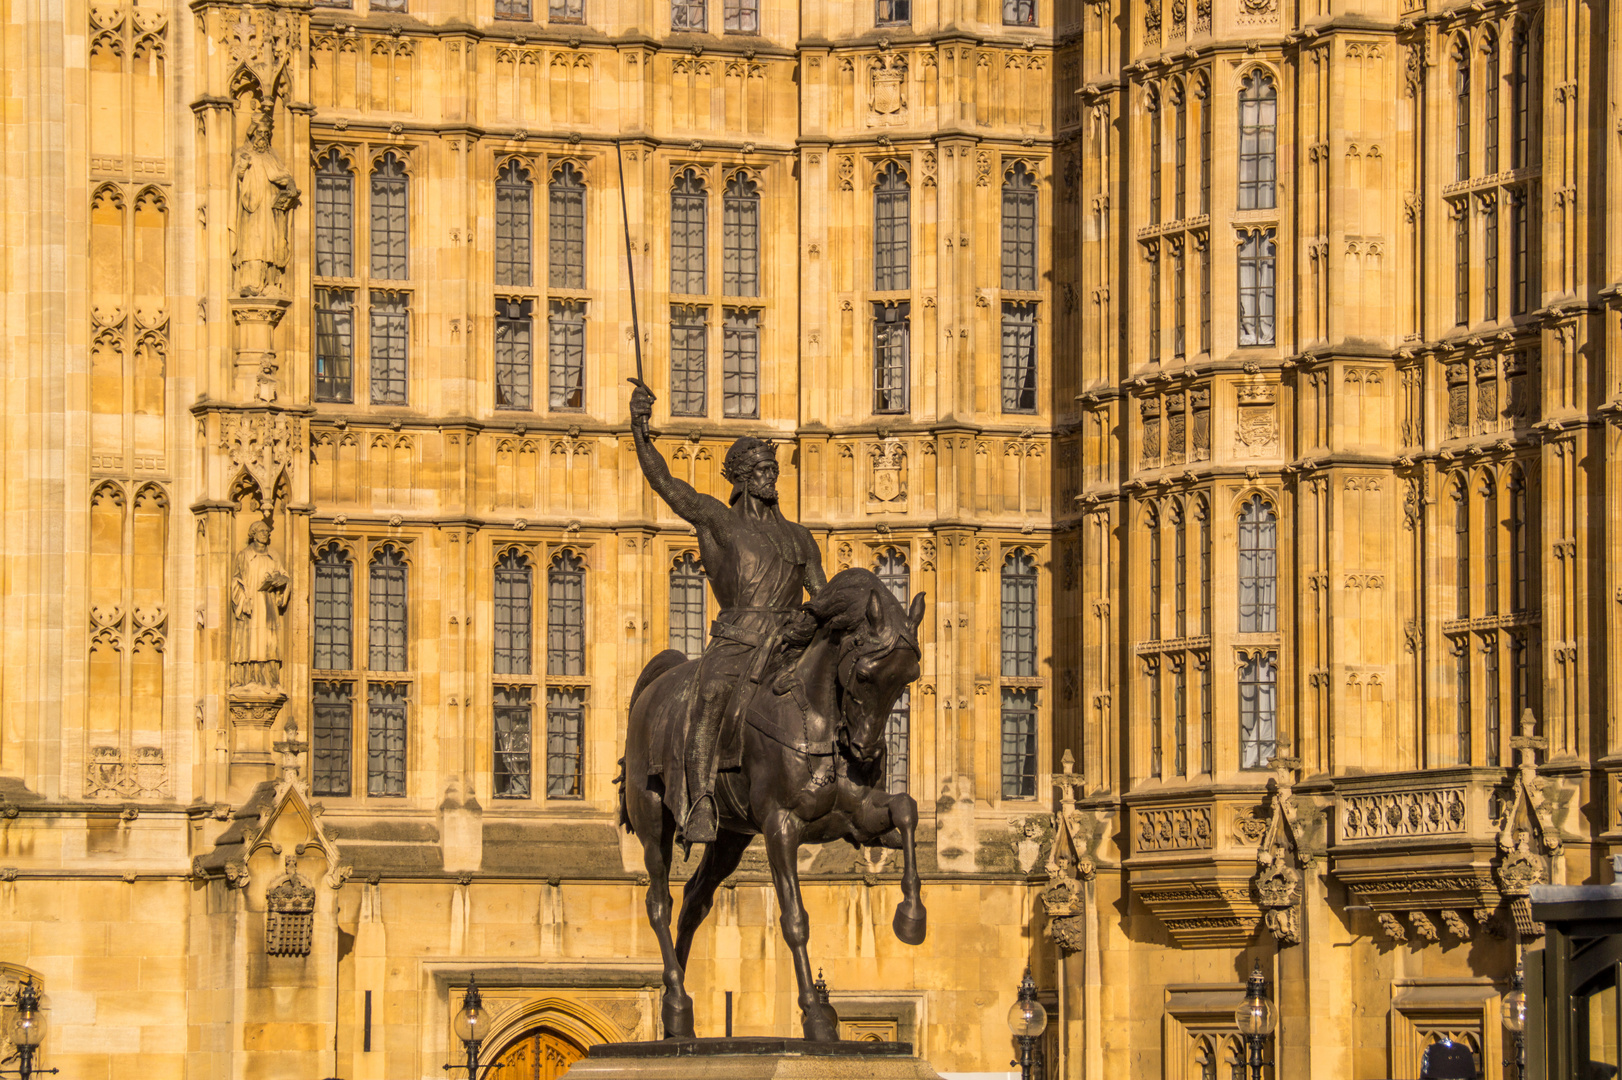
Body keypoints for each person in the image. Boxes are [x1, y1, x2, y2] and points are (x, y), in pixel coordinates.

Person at [629, 379, 826, 844]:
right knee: (711, 691)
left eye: (772, 470)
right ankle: (699, 802)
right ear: (740, 478)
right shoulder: (721, 521)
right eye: (760, 471)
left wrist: (817, 622)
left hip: (787, 643)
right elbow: (666, 484)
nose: (770, 478)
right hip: (737, 641)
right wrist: (640, 429)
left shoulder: (800, 537)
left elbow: (819, 596)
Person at [231, 110, 299, 297]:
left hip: (268, 208)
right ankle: (250, 283)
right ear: (253, 134)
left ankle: (269, 281)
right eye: (259, 133)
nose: (262, 137)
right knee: (252, 243)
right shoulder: (244, 153)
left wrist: (290, 184)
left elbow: (281, 174)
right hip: (250, 208)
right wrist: (242, 167)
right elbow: (238, 175)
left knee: (268, 243)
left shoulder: (271, 156)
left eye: (265, 134)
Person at [231, 518, 292, 689]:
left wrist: (281, 581)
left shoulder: (273, 556)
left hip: (268, 602)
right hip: (252, 605)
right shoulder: (245, 555)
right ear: (254, 534)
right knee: (251, 642)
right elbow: (237, 580)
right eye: (262, 531)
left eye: (267, 532)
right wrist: (243, 601)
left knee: (269, 641)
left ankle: (270, 678)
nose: (266, 534)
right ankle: (251, 677)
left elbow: (284, 575)